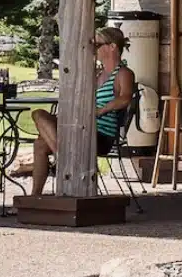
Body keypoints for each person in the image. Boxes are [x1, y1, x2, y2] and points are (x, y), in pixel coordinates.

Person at [29, 26, 136, 197]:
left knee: (41, 139)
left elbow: (125, 98)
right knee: (39, 120)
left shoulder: (123, 73)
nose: (94, 49)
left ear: (113, 46)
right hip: (81, 127)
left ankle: (58, 163)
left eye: (97, 45)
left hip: (100, 135)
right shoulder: (97, 74)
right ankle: (59, 161)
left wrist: (100, 111)